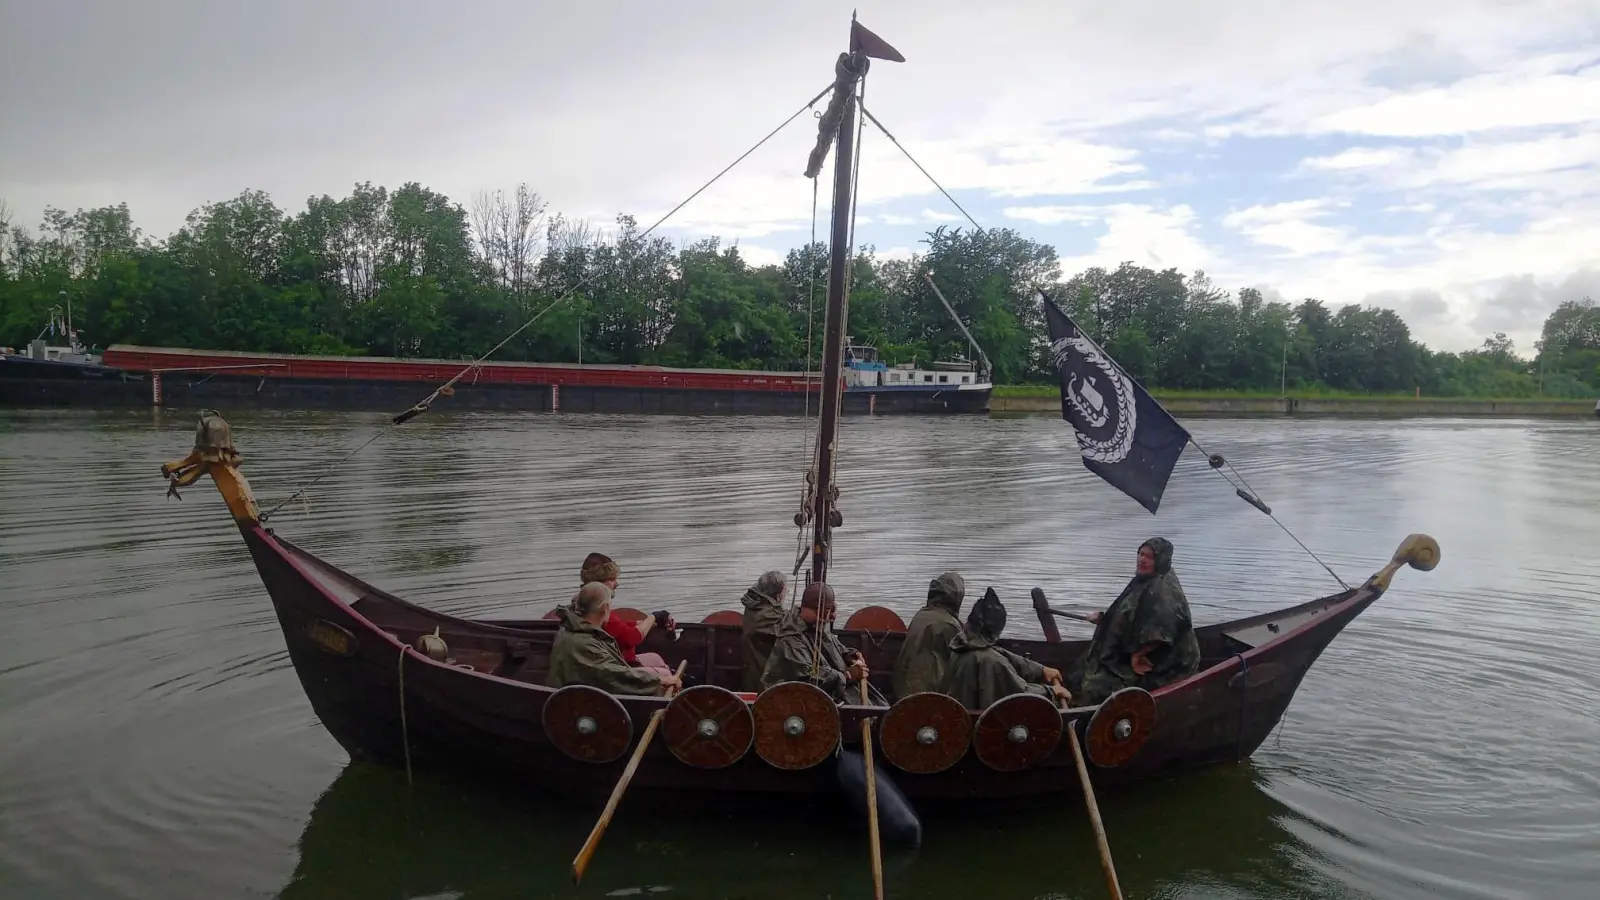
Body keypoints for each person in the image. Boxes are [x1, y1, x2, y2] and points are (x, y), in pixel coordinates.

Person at [1072, 537, 1201, 705]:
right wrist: (1105, 618)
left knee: (1097, 687)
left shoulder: (1163, 590)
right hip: (1141, 649)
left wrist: (1139, 654)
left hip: (1166, 663)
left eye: (1148, 556)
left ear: (1160, 560)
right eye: (1140, 554)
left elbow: (1163, 630)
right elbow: (1130, 610)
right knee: (1081, 668)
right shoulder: (1146, 578)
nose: (1141, 559)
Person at [943, 587, 1069, 710]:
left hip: (960, 711)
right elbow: (1020, 692)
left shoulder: (961, 645)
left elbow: (1001, 653)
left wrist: (1041, 670)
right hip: (981, 720)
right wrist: (1051, 691)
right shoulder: (991, 661)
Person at [548, 582, 682, 695]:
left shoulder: (572, 628)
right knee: (664, 686)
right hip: (583, 700)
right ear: (605, 608)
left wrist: (652, 621)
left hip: (581, 690)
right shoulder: (584, 643)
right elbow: (614, 675)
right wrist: (660, 681)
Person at [759, 582, 869, 702]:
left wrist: (849, 655)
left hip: (822, 693)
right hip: (789, 700)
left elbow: (834, 647)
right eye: (825, 612)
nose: (828, 618)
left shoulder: (816, 625)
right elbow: (808, 677)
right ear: (811, 608)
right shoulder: (790, 638)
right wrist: (847, 675)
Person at [580, 552, 675, 677]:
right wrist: (654, 616)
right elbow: (631, 638)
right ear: (598, 583)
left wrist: (653, 623)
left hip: (620, 662)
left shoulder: (587, 605)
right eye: (612, 579)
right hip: (617, 668)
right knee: (666, 674)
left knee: (656, 658)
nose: (617, 583)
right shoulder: (598, 610)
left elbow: (619, 627)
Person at [891, 571, 966, 700]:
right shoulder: (949, 625)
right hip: (925, 697)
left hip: (902, 692)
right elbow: (965, 662)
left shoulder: (921, 614)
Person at [739, 570, 788, 692]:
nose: (786, 594)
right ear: (778, 593)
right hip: (765, 683)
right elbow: (789, 627)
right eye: (785, 590)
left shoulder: (756, 606)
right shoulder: (764, 615)